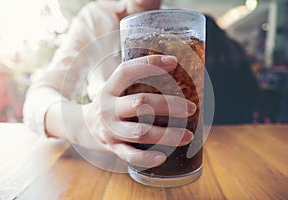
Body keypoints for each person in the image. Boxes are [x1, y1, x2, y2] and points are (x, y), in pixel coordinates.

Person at [23, 0, 196, 169]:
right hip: (107, 163)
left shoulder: (186, 27)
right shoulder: (95, 18)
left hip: (181, 157)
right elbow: (37, 100)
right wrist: (88, 124)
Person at [205, 15, 259, 125]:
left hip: (211, 122)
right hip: (240, 118)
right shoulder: (233, 48)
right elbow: (252, 88)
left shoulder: (204, 56)